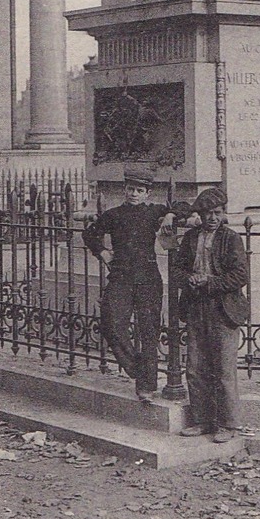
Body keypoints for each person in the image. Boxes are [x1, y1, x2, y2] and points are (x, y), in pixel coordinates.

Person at [83, 164, 182, 399]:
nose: (134, 194)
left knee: (149, 331)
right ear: (124, 190)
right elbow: (89, 234)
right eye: (130, 189)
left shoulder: (153, 212)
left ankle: (146, 386)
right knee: (111, 322)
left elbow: (184, 207)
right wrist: (103, 253)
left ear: (147, 193)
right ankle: (137, 368)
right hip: (121, 277)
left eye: (139, 190)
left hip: (148, 278)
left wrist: (170, 213)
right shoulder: (114, 215)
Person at [173, 187, 248, 442]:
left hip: (223, 308)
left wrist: (210, 282)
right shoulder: (191, 238)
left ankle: (228, 424)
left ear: (223, 213)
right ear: (200, 215)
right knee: (195, 367)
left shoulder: (231, 239)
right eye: (207, 214)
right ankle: (202, 420)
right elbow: (177, 269)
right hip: (196, 306)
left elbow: (240, 276)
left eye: (217, 213)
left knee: (224, 369)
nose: (213, 218)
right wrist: (189, 279)